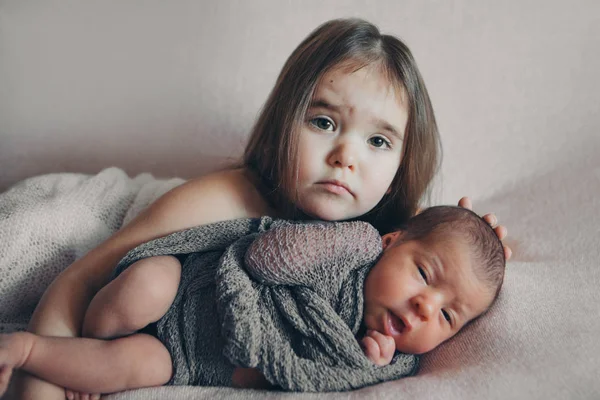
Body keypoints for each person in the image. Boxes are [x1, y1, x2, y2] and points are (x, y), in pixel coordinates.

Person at [12, 17, 511, 399]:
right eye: (323, 122)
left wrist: (474, 244)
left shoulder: (387, 237)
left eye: (379, 140)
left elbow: (446, 269)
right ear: (283, 122)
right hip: (172, 296)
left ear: (402, 165)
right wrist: (45, 384)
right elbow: (80, 279)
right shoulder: (225, 200)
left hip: (181, 353)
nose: (346, 158)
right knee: (141, 289)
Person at [0, 206, 506, 395]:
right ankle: (88, 336)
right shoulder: (353, 249)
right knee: (141, 292)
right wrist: (355, 239)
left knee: (132, 366)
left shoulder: (390, 360)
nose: (423, 307)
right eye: (423, 274)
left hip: (195, 356)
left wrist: (360, 360)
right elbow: (267, 260)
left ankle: (26, 351)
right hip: (195, 288)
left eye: (446, 314)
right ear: (390, 241)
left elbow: (300, 375)